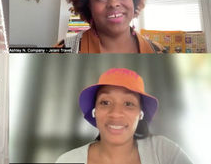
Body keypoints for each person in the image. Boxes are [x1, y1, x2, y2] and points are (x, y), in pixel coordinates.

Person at [56, 68, 192, 164]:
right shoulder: (68, 160)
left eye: (128, 103)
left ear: (140, 114)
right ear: (95, 110)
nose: (115, 113)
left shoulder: (163, 151)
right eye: (105, 102)